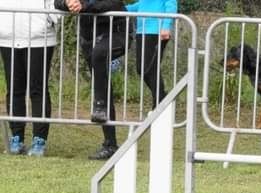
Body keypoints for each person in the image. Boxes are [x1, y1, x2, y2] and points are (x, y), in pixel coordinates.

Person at [55, 0, 128, 160]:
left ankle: (100, 105)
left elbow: (113, 4)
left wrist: (84, 6)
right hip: (89, 38)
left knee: (99, 54)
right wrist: (68, 3)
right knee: (102, 86)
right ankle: (110, 144)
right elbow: (56, 3)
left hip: (116, 34)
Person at [0, 0, 58, 156]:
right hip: (7, 36)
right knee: (14, 89)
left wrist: (49, 19)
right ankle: (16, 137)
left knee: (37, 90)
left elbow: (59, 4)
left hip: (40, 38)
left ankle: (39, 139)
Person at [126, 0, 177, 111]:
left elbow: (171, 4)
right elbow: (142, 4)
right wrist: (122, 9)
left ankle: (159, 102)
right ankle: (162, 98)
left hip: (156, 31)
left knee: (150, 69)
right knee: (142, 69)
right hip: (142, 31)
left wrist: (166, 26)